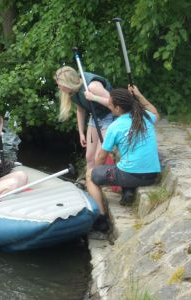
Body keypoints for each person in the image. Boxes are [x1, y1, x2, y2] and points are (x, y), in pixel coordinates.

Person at [86, 85, 160, 232]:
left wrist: (96, 171)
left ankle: (101, 218)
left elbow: (101, 156)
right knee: (125, 162)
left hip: (130, 175)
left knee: (90, 175)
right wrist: (138, 94)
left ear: (118, 109)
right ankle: (128, 191)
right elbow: (155, 112)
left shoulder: (115, 126)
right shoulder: (145, 116)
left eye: (110, 104)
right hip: (152, 175)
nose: (108, 106)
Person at [54, 66, 114, 169]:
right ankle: (90, 182)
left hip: (109, 117)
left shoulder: (92, 86)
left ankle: (102, 182)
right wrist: (81, 133)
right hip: (94, 118)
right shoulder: (73, 91)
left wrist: (94, 97)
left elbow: (114, 103)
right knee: (89, 157)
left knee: (98, 157)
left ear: (68, 83)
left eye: (60, 85)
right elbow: (80, 110)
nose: (59, 88)